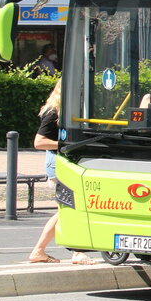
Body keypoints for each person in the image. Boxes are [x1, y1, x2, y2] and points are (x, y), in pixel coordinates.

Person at [28, 80, 93, 264]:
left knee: (66, 208)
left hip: (62, 162)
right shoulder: (53, 112)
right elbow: (39, 142)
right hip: (58, 163)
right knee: (70, 207)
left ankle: (40, 250)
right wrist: (65, 145)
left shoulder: (62, 110)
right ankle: (75, 252)